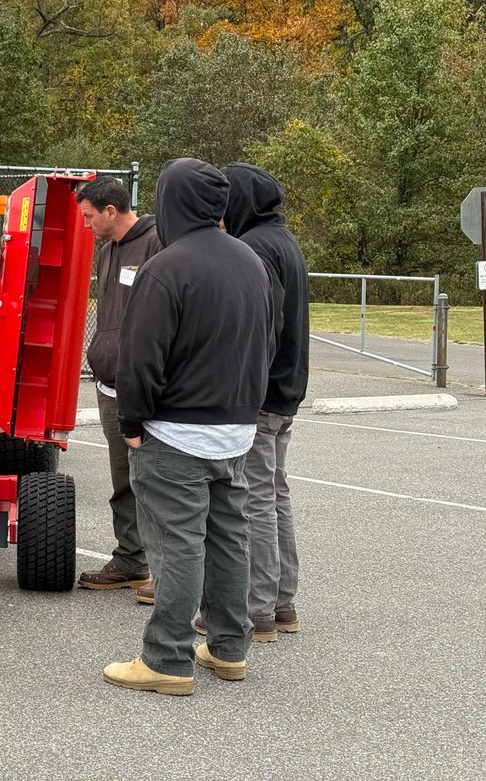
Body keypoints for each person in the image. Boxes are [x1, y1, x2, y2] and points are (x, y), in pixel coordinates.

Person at [102, 158, 274, 696]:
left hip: (175, 431)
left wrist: (133, 422)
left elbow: (140, 357)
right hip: (236, 428)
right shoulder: (251, 260)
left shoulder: (167, 266)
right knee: (229, 540)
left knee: (177, 544)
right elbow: (266, 342)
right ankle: (228, 648)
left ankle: (167, 658)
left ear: (172, 201)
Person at [221, 163, 309, 642]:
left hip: (262, 392)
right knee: (275, 494)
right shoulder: (285, 241)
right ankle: (283, 603)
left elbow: (264, 325)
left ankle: (258, 612)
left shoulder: (254, 246)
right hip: (288, 389)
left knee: (254, 500)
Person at [74, 178, 162, 603]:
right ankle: (131, 560)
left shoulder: (157, 244)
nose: (85, 224)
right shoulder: (108, 252)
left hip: (143, 385)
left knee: (155, 478)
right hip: (110, 384)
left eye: (88, 216)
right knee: (123, 479)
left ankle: (165, 573)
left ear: (111, 210)